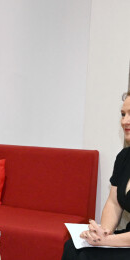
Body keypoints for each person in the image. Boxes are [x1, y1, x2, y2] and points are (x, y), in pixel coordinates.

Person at [62, 90, 130, 259]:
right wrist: (103, 232)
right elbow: (114, 203)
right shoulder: (124, 158)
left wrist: (106, 241)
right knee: (72, 247)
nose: (125, 121)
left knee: (87, 256)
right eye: (123, 114)